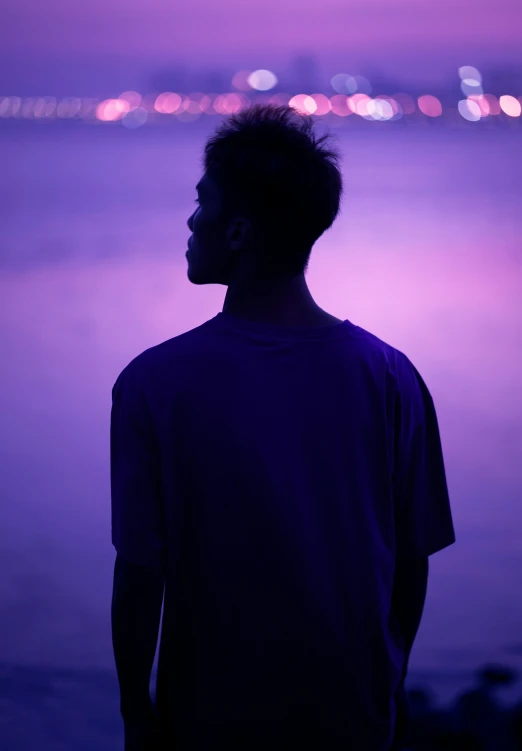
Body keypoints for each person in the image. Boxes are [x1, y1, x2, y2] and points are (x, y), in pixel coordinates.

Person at [110, 104, 456, 751]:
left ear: (237, 231)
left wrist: (136, 708)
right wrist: (391, 679)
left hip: (209, 718)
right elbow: (411, 560)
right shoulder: (389, 376)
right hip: (351, 714)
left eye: (201, 202)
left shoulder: (155, 383)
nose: (190, 220)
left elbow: (139, 571)